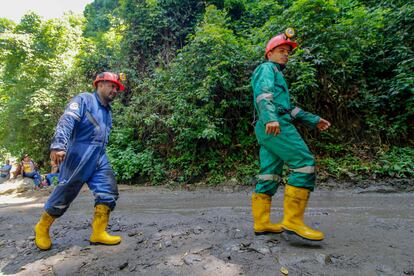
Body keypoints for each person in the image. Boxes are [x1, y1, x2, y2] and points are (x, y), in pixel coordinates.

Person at [251, 28, 331, 241]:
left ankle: (262, 223)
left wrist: (314, 120)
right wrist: (271, 118)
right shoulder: (267, 68)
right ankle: (293, 221)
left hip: (271, 126)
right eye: (281, 50)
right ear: (269, 53)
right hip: (275, 125)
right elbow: (263, 95)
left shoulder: (278, 75)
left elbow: (289, 108)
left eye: (288, 51)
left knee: (270, 173)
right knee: (304, 163)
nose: (286, 54)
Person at [34, 72, 125, 250]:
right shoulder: (84, 100)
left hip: (99, 155)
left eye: (116, 88)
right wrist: (59, 144)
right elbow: (67, 120)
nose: (115, 90)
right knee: (64, 194)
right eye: (111, 86)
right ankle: (42, 227)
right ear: (99, 84)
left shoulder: (107, 110)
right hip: (79, 154)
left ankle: (98, 233)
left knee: (108, 191)